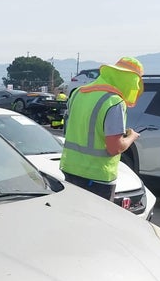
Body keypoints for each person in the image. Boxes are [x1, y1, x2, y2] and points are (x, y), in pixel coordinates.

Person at [59, 57, 144, 201]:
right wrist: (131, 137)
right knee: (94, 222)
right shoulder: (114, 101)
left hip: (70, 169)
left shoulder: (79, 93)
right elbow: (114, 147)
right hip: (97, 178)